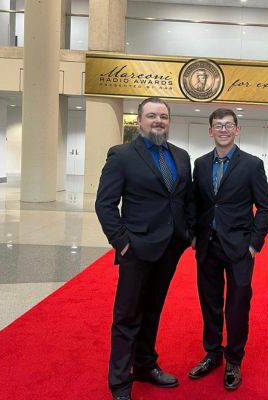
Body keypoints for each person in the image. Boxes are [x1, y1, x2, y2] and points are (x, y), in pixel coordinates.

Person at [95, 97, 195, 400]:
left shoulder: (181, 156)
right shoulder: (122, 155)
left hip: (170, 247)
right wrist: (122, 243)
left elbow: (185, 198)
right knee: (127, 316)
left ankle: (145, 365)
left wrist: (187, 233)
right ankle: (120, 383)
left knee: (153, 310)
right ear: (138, 121)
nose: (158, 121)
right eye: (151, 115)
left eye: (163, 116)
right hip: (136, 249)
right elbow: (105, 204)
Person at [189, 108, 268, 390]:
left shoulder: (251, 165)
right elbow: (196, 203)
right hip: (208, 246)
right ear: (210, 131)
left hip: (239, 248)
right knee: (209, 303)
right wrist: (193, 236)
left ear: (237, 130)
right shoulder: (200, 164)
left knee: (237, 306)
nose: (223, 130)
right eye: (217, 125)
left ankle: (234, 359)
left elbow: (265, 208)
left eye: (228, 125)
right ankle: (212, 353)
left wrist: (253, 245)